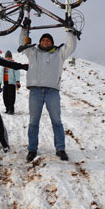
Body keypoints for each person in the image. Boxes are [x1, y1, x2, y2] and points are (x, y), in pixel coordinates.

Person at [19, 18, 77, 162]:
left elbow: (71, 46)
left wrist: (69, 30)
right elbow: (22, 43)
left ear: (52, 42)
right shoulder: (33, 52)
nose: (45, 42)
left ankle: (60, 149)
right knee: (33, 122)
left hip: (52, 91)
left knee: (57, 121)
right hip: (35, 91)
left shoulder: (59, 53)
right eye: (43, 40)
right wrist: (25, 29)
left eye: (48, 40)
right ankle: (32, 149)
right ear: (40, 42)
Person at [0, 50, 21, 114]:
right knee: (5, 97)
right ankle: (7, 109)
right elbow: (1, 75)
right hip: (5, 83)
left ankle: (11, 109)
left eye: (9, 57)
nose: (8, 58)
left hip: (11, 83)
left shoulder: (13, 64)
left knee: (11, 97)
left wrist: (17, 81)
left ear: (11, 58)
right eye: (6, 57)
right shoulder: (3, 65)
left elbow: (17, 73)